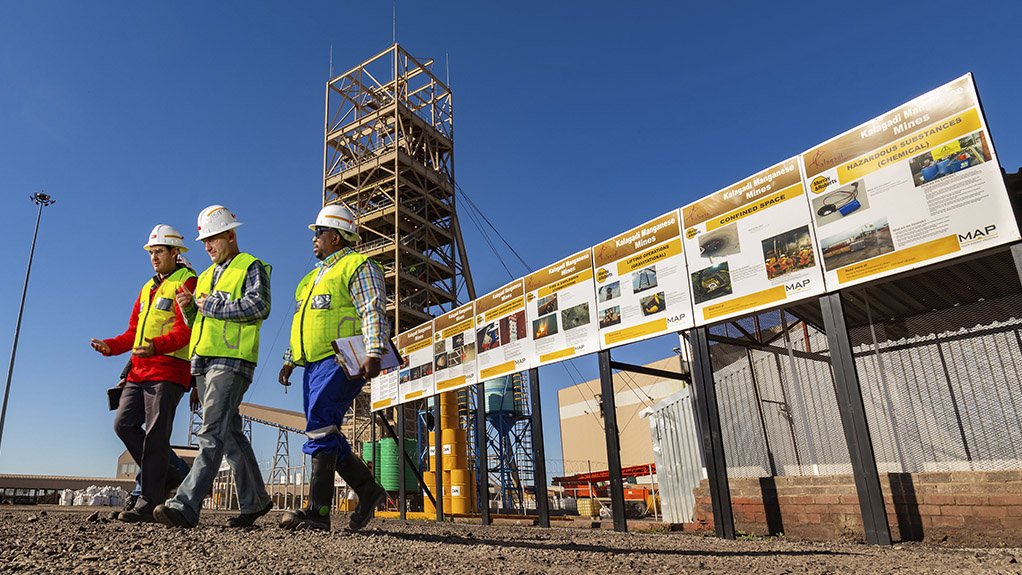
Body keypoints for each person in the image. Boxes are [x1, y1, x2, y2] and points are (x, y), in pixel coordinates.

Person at [153, 205, 273, 529]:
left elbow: (260, 306)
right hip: (206, 362)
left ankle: (185, 504)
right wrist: (191, 310)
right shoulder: (205, 277)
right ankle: (256, 500)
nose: (207, 247)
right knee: (230, 434)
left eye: (212, 239)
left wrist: (214, 305)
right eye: (204, 241)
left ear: (231, 235)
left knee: (210, 433)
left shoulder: (251, 266)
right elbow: (201, 325)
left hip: (232, 361)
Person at [277, 204, 388, 532]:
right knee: (323, 429)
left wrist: (376, 349)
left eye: (319, 232)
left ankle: (318, 511)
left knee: (320, 423)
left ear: (337, 238)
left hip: (345, 355)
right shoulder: (309, 279)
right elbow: (302, 322)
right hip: (313, 362)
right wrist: (289, 359)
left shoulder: (358, 266)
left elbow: (372, 308)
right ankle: (368, 491)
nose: (314, 238)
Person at [90, 225, 197, 523]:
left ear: (175, 253)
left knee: (155, 435)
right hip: (140, 372)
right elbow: (132, 333)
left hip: (168, 371)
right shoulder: (147, 288)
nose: (153, 257)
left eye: (159, 251)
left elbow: (186, 330)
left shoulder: (187, 281)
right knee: (123, 425)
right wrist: (109, 347)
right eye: (151, 252)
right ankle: (171, 472)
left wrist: (157, 347)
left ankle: (150, 503)